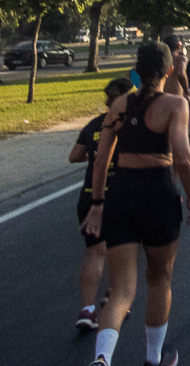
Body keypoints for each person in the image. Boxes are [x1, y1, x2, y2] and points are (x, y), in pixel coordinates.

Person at [81, 42, 190, 366]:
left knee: (120, 290)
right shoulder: (176, 104)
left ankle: (102, 358)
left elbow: (102, 159)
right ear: (170, 70)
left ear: (137, 68)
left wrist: (97, 203)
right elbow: (184, 158)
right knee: (159, 280)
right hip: (158, 194)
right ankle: (153, 358)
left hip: (121, 195)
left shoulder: (119, 104)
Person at [71, 77, 134, 330]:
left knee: (94, 253)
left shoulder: (94, 124)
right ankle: (114, 297)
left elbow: (74, 156)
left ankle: (87, 310)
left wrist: (95, 152)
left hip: (88, 196)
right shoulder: (130, 126)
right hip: (118, 196)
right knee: (121, 251)